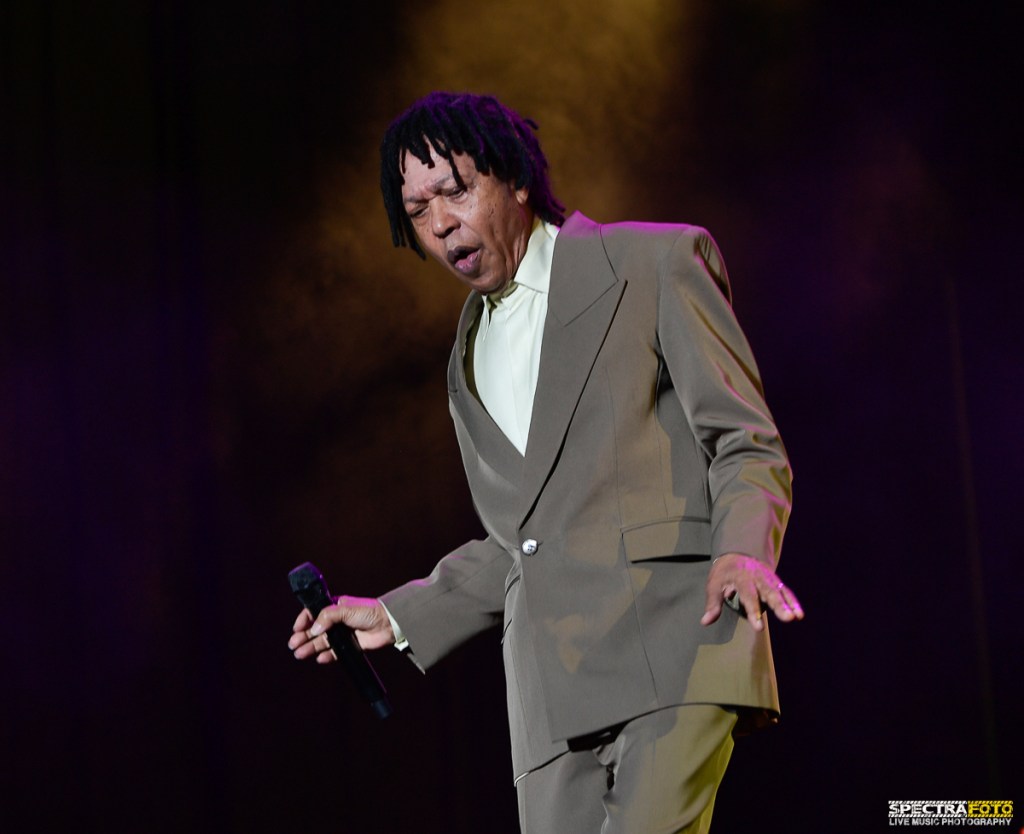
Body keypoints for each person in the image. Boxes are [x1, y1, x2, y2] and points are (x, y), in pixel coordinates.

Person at [289, 91, 804, 834]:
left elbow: (743, 440)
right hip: (549, 699)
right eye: (417, 209)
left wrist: (743, 550)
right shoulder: (465, 357)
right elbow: (523, 538)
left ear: (517, 179)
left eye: (455, 191)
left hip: (673, 641)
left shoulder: (652, 264)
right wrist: (398, 615)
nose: (440, 223)